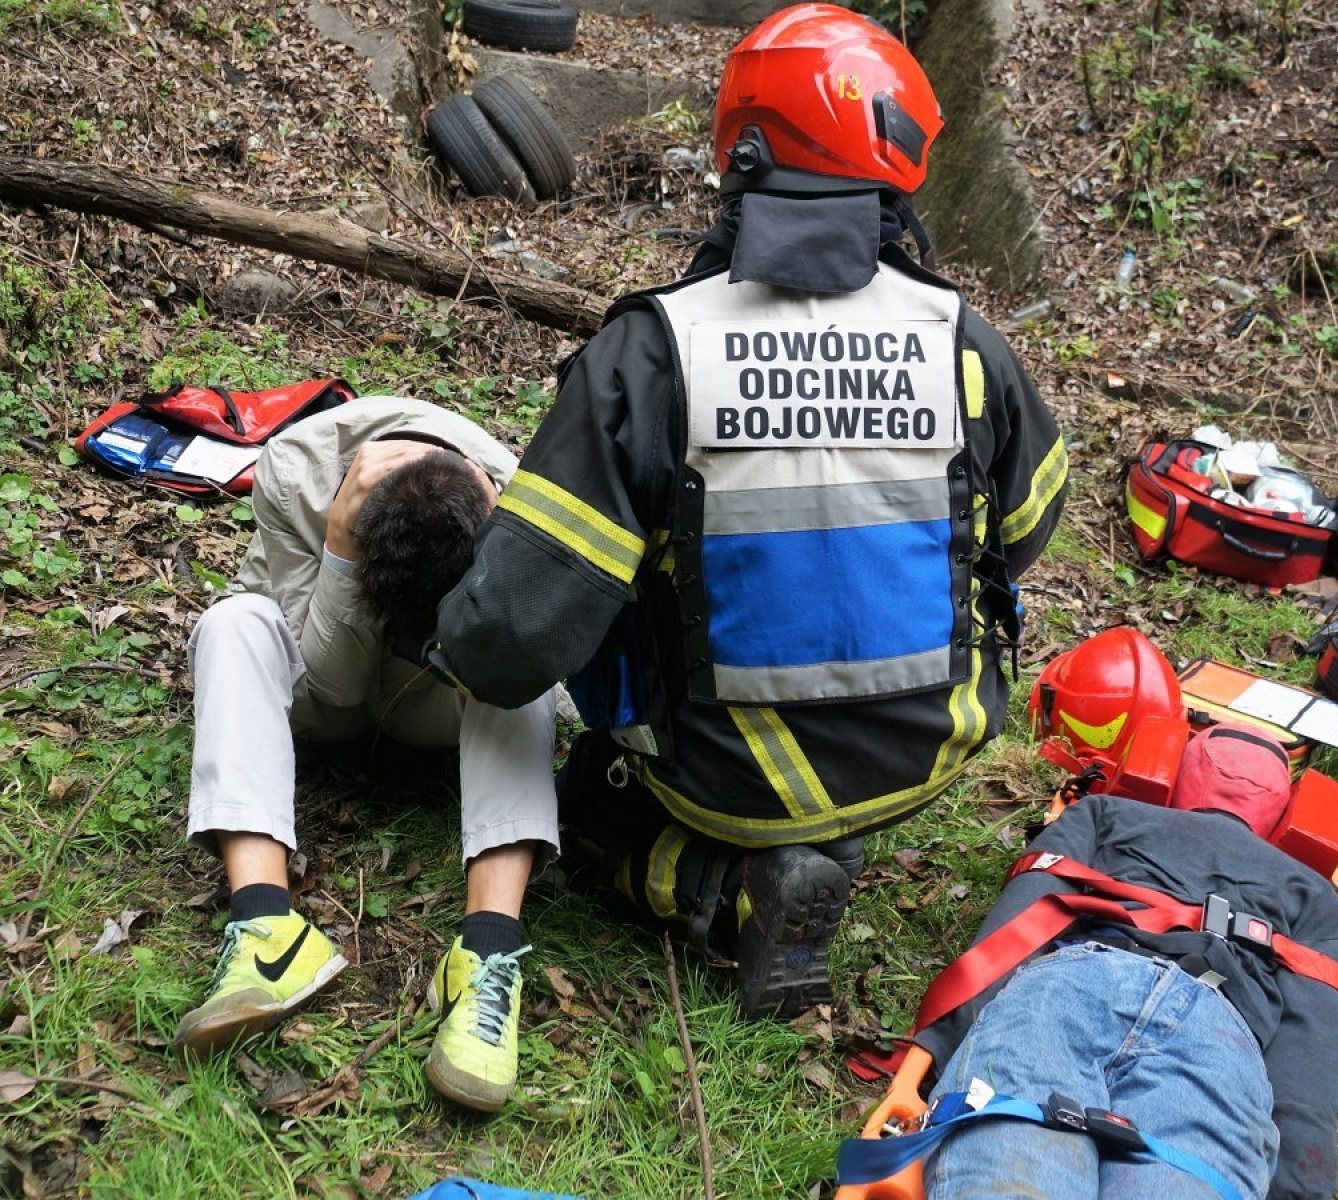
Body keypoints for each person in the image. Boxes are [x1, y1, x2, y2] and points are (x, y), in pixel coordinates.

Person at [430, 2, 1067, 1020]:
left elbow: (514, 632)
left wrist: (447, 647)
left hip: (718, 771)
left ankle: (718, 890)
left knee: (591, 798)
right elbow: (1028, 527)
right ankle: (827, 832)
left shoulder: (651, 353)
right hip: (928, 746)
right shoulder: (966, 341)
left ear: (743, 146)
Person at [174, 396, 562, 1114]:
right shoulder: (293, 472)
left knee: (521, 665)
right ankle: (266, 927)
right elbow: (334, 682)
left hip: (438, 698)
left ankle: (487, 953)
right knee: (231, 623)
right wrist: (341, 551)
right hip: (325, 696)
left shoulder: (519, 500)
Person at [851, 727, 1338, 1200]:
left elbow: (1026, 914)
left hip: (1077, 983)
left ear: (1179, 778)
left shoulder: (1106, 812)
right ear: (1280, 810)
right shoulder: (1313, 894)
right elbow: (1310, 1053)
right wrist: (1298, 1182)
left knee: (1012, 1165)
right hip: (1218, 1035)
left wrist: (935, 1047)